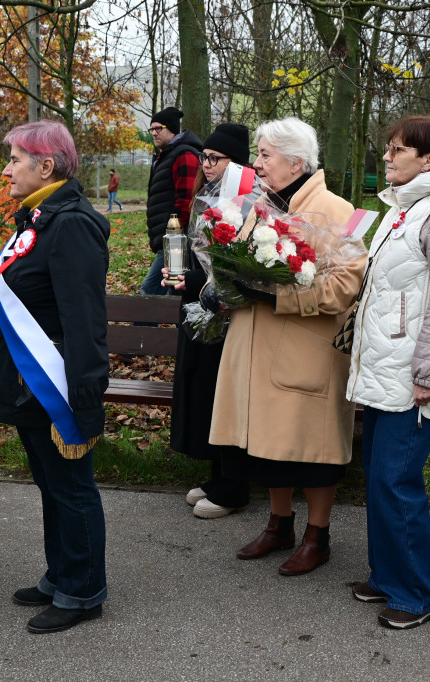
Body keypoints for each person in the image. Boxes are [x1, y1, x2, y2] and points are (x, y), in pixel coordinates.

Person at [210, 117, 366, 577]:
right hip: (255, 347)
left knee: (314, 451)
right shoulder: (258, 206)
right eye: (257, 154)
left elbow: (345, 287)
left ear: (296, 161)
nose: (255, 163)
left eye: (264, 155)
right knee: (269, 446)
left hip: (306, 350)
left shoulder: (338, 211)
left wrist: (277, 295)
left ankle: (318, 536)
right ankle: (279, 525)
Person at [346, 114, 430, 630]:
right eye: (387, 148)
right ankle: (389, 576)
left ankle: (422, 592)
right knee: (378, 477)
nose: (386, 157)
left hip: (412, 375)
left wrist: (428, 371)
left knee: (396, 481)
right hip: (385, 367)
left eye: (397, 150)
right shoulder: (408, 207)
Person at [0, 121, 112, 634]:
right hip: (29, 378)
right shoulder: (38, 220)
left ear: (46, 166)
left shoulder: (71, 224)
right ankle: (61, 571)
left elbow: (83, 314)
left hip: (58, 382)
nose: (5, 168)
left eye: (14, 159)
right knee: (49, 482)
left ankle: (83, 592)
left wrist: (86, 388)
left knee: (71, 486)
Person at [164, 123, 253, 519]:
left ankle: (233, 483)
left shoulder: (250, 199)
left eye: (216, 158)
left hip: (227, 312)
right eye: (205, 157)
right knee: (204, 393)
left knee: (225, 395)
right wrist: (183, 277)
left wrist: (198, 280)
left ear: (237, 163)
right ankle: (216, 473)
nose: (207, 164)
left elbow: (237, 265)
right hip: (201, 308)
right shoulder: (207, 195)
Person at [142, 107, 202, 295]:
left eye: (158, 128)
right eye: (151, 129)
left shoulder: (183, 154)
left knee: (150, 290)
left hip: (176, 240)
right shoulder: (167, 155)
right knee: (177, 292)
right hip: (170, 240)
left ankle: (146, 326)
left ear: (172, 129)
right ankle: (179, 325)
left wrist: (172, 234)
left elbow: (187, 199)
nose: (154, 133)